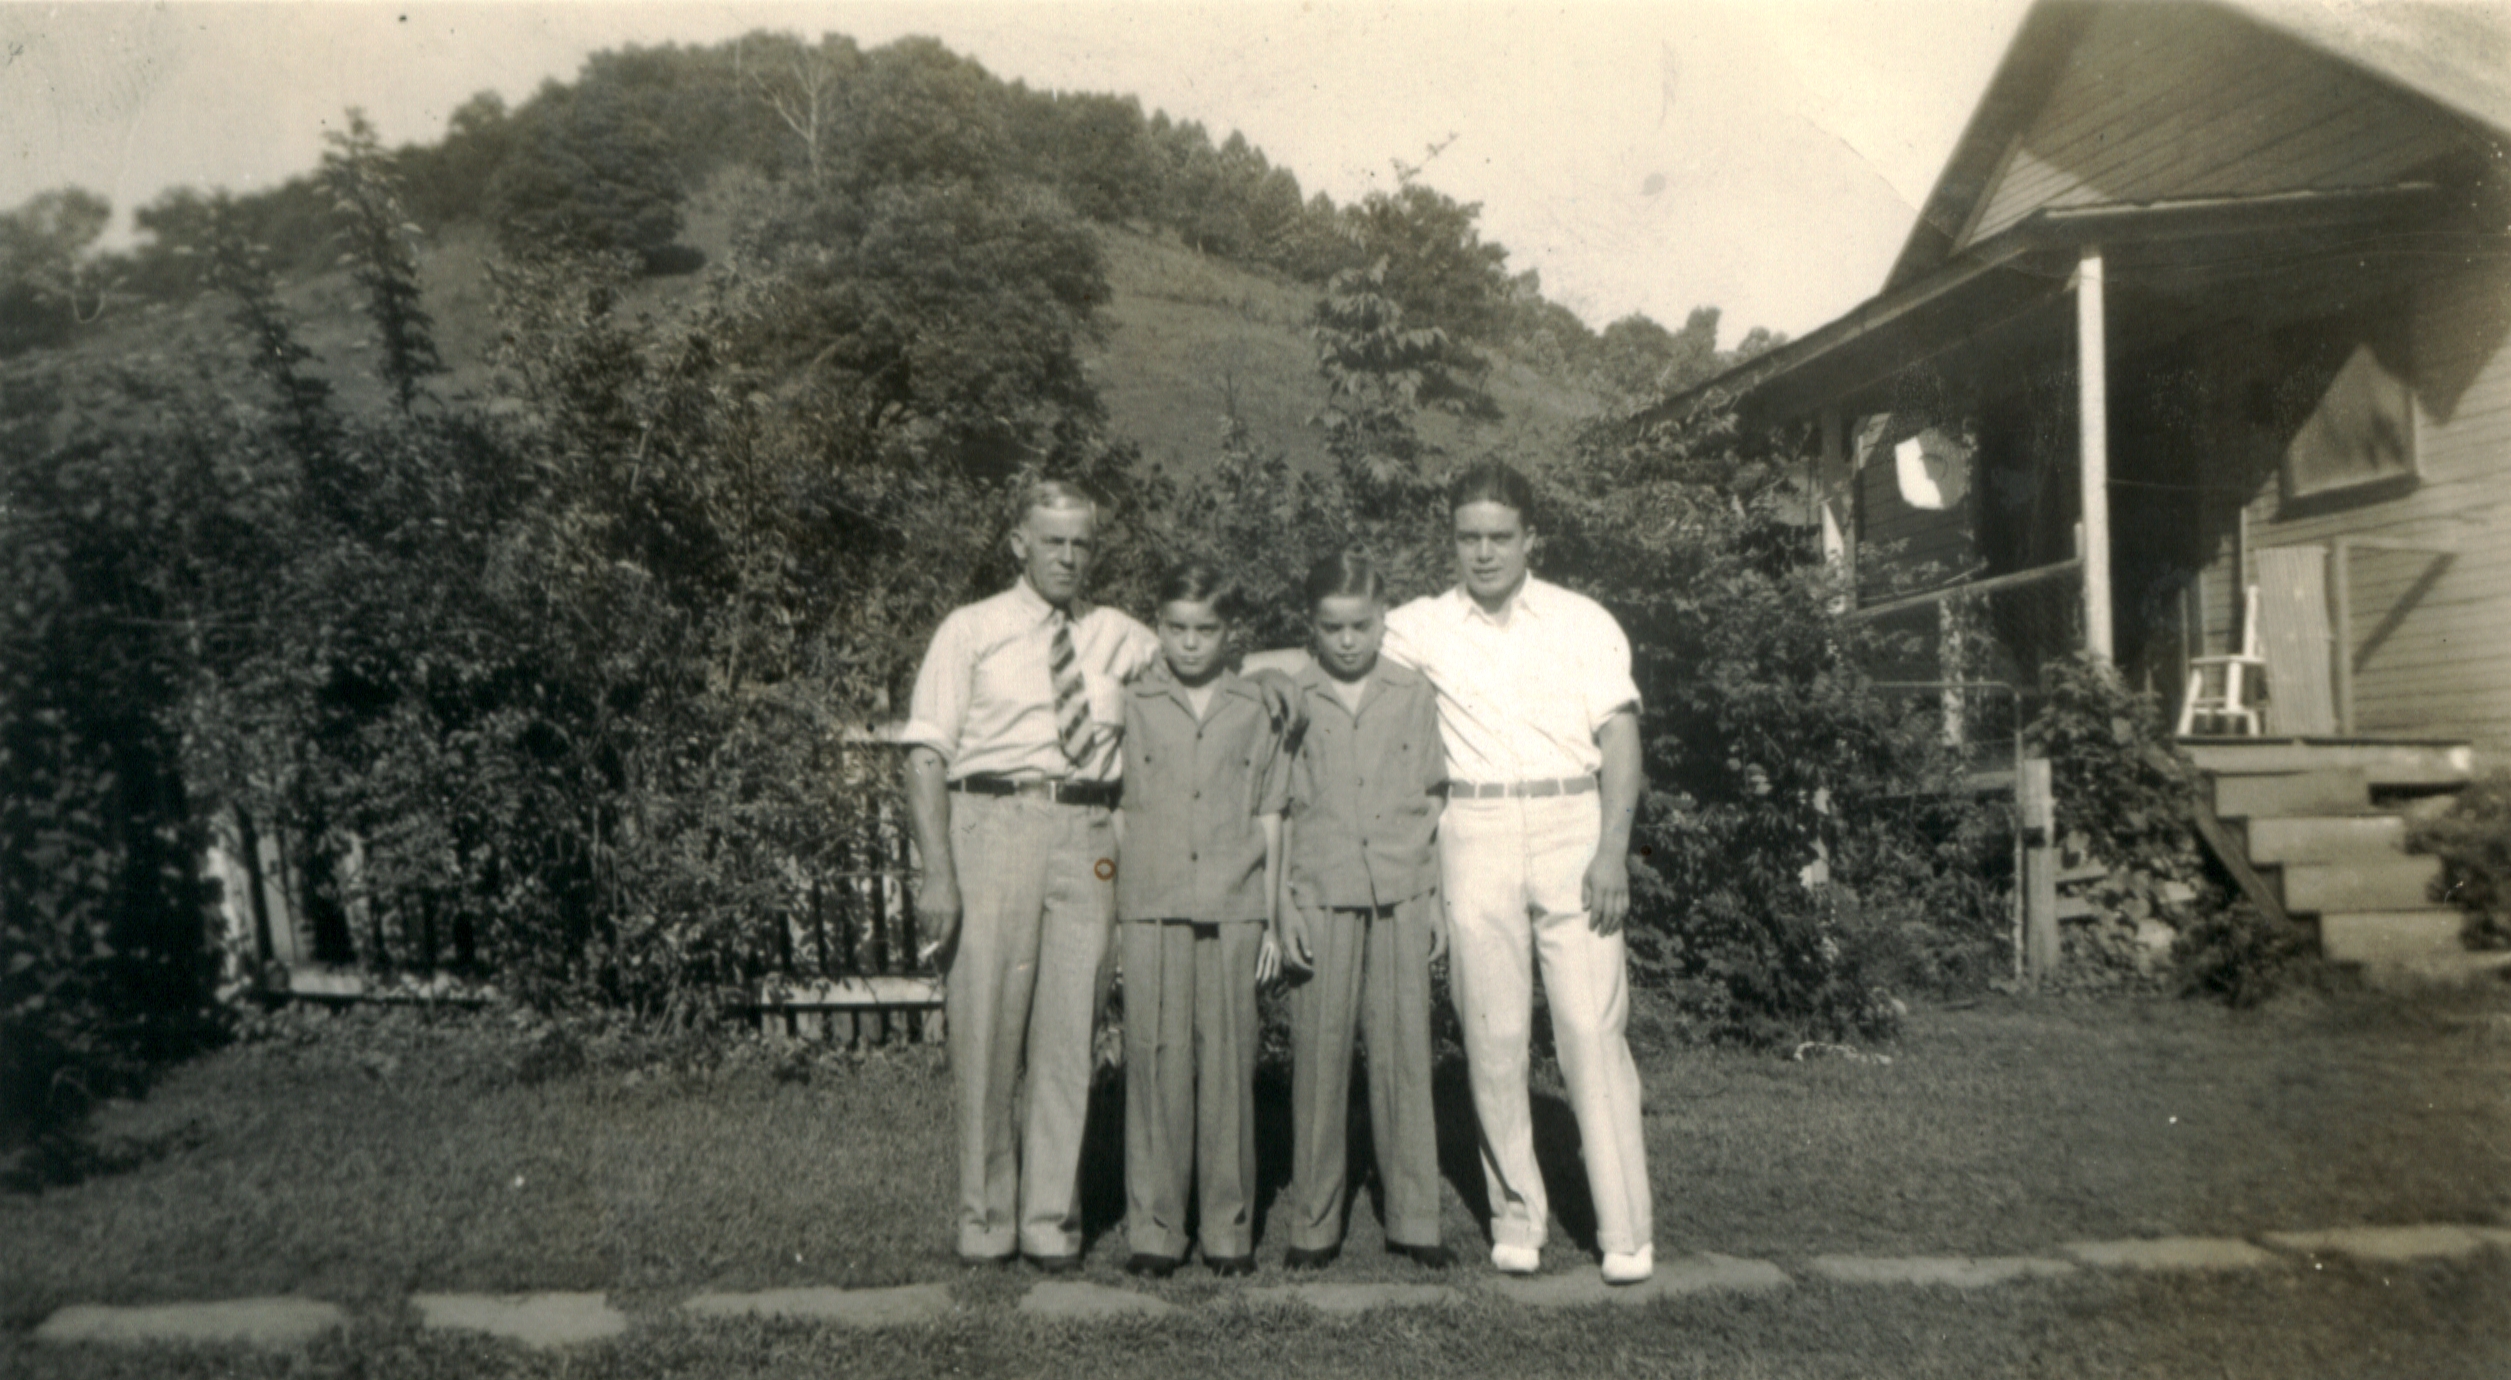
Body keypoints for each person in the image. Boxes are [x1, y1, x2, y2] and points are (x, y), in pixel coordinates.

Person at [1382, 460, 1655, 1286]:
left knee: (1588, 1031)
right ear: (1451, 542)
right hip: (1475, 827)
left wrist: (1611, 849)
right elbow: (1338, 649)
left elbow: (1619, 742)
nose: (1484, 553)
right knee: (1494, 1036)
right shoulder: (1420, 625)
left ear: (1530, 538)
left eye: (1500, 537)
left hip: (1574, 822)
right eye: (1468, 537)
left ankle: (1625, 1231)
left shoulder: (1581, 621)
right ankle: (1516, 1217)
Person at [900, 478, 1159, 1271]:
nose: (1069, 557)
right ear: (1019, 543)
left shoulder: (1120, 635)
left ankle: (1051, 1219)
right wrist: (937, 873)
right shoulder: (970, 630)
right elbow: (923, 754)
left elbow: (1202, 665)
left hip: (1087, 832)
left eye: (1082, 543)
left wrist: (1287, 676)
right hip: (992, 827)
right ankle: (984, 1219)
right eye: (1054, 542)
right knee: (984, 1028)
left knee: (1068, 1032)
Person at [1276, 551, 1457, 1272]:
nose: (1346, 640)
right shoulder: (1291, 697)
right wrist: (1283, 904)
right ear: (1311, 629)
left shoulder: (1412, 692)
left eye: (1359, 626)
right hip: (1319, 892)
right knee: (1318, 1062)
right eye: (1331, 627)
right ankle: (1313, 1222)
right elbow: (1276, 808)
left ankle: (1413, 1217)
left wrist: (1434, 895)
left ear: (1384, 622)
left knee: (1403, 1054)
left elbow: (1432, 797)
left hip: (1400, 890)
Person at [1113, 562, 1291, 1279]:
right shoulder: (1127, 702)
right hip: (1151, 906)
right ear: (1157, 625)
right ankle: (1155, 1228)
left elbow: (1272, 816)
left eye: (1206, 630)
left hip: (1234, 905)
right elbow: (1114, 816)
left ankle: (1227, 1228)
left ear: (1229, 632)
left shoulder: (1256, 708)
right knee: (1155, 1062)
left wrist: (1273, 916)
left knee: (1227, 1066)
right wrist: (1116, 907)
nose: (1189, 644)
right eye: (1176, 628)